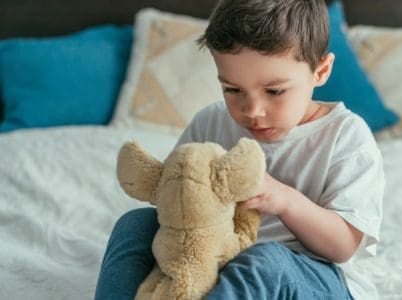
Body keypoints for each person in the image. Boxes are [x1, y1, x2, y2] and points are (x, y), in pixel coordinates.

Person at [95, 0, 384, 299]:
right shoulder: (210, 123)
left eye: (274, 91)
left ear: (320, 71)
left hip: (311, 275)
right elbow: (177, 205)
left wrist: (284, 200)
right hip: (216, 260)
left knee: (264, 260)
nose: (252, 110)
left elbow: (342, 246)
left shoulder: (346, 136)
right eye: (233, 90)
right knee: (135, 223)